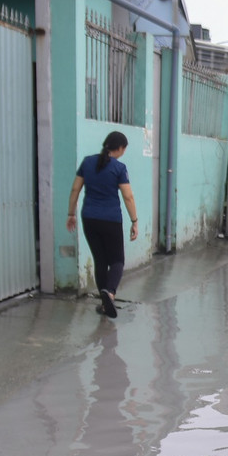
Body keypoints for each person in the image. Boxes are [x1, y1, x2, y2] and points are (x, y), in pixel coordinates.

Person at [66, 131, 138, 319]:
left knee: (100, 260)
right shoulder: (119, 168)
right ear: (120, 148)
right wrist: (134, 221)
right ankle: (110, 293)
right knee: (117, 261)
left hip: (89, 217)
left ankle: (105, 304)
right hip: (111, 219)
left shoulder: (87, 162)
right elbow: (128, 196)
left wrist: (70, 213)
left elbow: (75, 188)